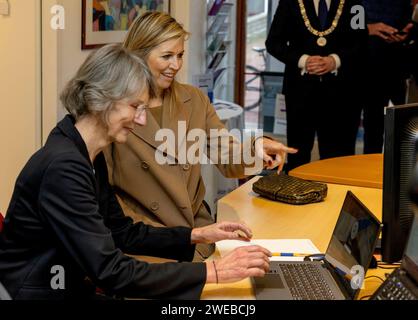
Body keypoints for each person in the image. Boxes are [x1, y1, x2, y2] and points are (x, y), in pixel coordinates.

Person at [0, 44, 271, 300]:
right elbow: (110, 270)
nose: (141, 119)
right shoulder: (64, 166)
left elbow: (122, 233)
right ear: (100, 100)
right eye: (135, 107)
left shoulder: (84, 150)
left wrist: (198, 234)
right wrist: (214, 271)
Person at [106, 11, 297, 262]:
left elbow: (227, 155)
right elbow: (107, 195)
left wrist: (256, 148)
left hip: (198, 233)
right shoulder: (113, 108)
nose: (176, 65)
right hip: (146, 242)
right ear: (138, 55)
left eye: (180, 55)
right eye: (167, 56)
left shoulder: (193, 99)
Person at [265, 0, 368, 171]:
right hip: (300, 92)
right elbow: (274, 43)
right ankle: (297, 194)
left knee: (339, 157)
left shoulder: (354, 3)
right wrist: (303, 61)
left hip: (342, 94)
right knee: (298, 155)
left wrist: (334, 61)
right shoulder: (289, 2)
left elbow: (361, 43)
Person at [361, 0, 415, 153]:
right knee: (372, 129)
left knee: (403, 130)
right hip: (362, 66)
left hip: (395, 68)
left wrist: (405, 33)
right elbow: (344, 23)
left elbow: (408, 20)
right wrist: (368, 29)